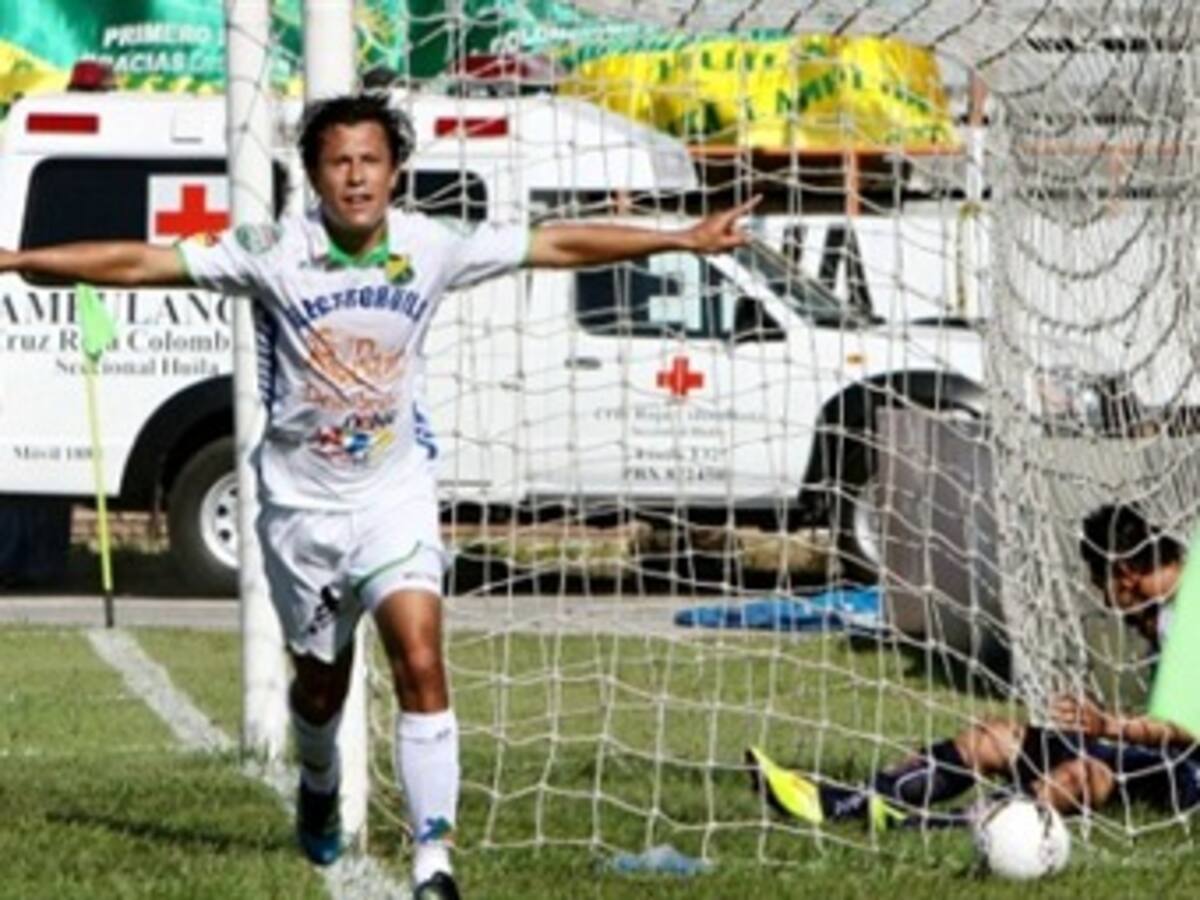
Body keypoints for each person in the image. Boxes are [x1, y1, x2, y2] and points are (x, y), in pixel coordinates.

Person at [0, 92, 758, 899]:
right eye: (339, 161)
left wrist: (681, 236)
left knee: (421, 661)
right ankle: (319, 783)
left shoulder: (431, 246)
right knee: (321, 685)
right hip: (300, 513)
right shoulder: (272, 251)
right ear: (316, 175)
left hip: (394, 499)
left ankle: (435, 861)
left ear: (395, 171)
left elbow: (555, 242)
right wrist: (16, 261)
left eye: (370, 160)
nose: (355, 176)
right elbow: (138, 263)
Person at [748, 503, 1200, 831]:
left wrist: (1111, 725)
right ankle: (846, 803)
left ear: (1124, 572)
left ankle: (933, 829)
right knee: (996, 736)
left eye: (1101, 583)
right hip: (1148, 750)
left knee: (1082, 775)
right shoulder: (1168, 609)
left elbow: (1189, 725)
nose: (1104, 600)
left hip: (1190, 776)